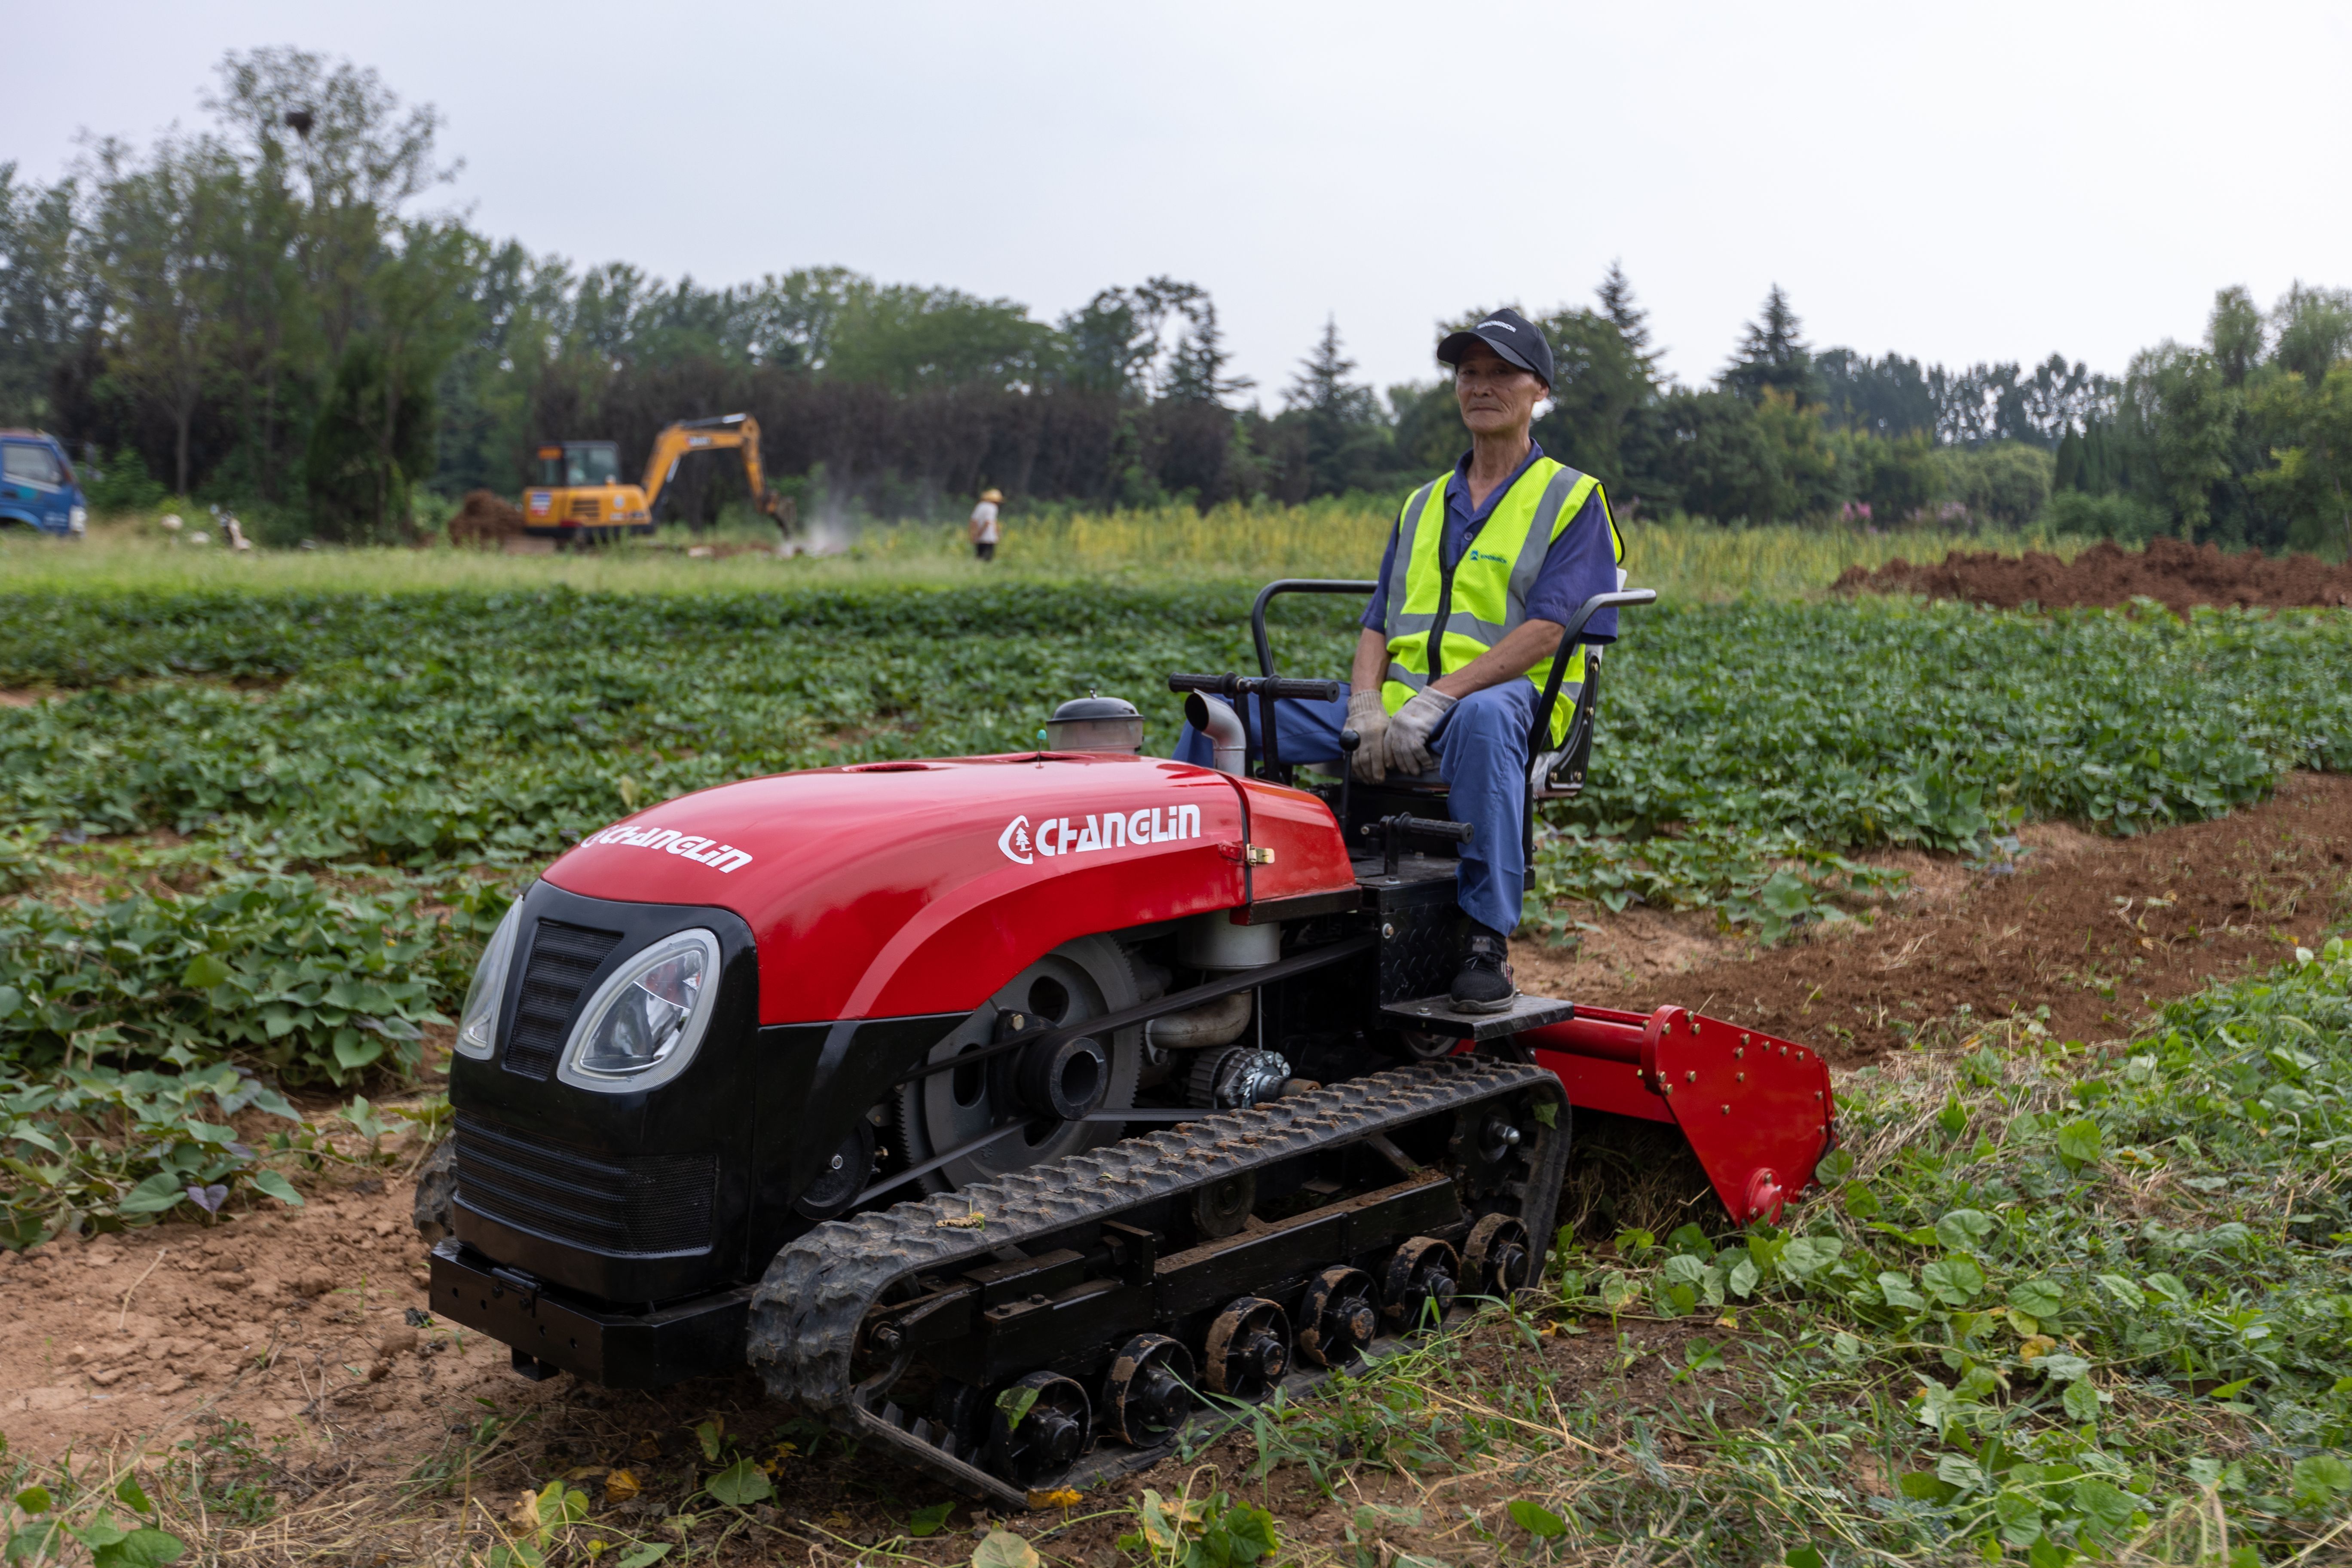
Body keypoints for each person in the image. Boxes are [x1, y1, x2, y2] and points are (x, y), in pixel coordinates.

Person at [1173, 308, 1623, 1013]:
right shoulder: (1420, 505)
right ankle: (1190, 896)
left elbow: (1548, 628)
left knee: (1477, 719)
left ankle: (1483, 936)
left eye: (1500, 372)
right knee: (1222, 718)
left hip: (1513, 700)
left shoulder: (1572, 498)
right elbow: (1378, 622)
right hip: (1405, 702)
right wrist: (1366, 704)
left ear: (1538, 390)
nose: (1481, 385)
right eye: (1468, 372)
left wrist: (1436, 699)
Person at [969, 488, 1004, 560]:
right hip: (989, 537)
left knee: (979, 557)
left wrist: (974, 534)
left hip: (980, 539)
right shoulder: (993, 508)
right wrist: (997, 534)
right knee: (987, 559)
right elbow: (988, 522)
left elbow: (974, 521)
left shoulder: (980, 506)